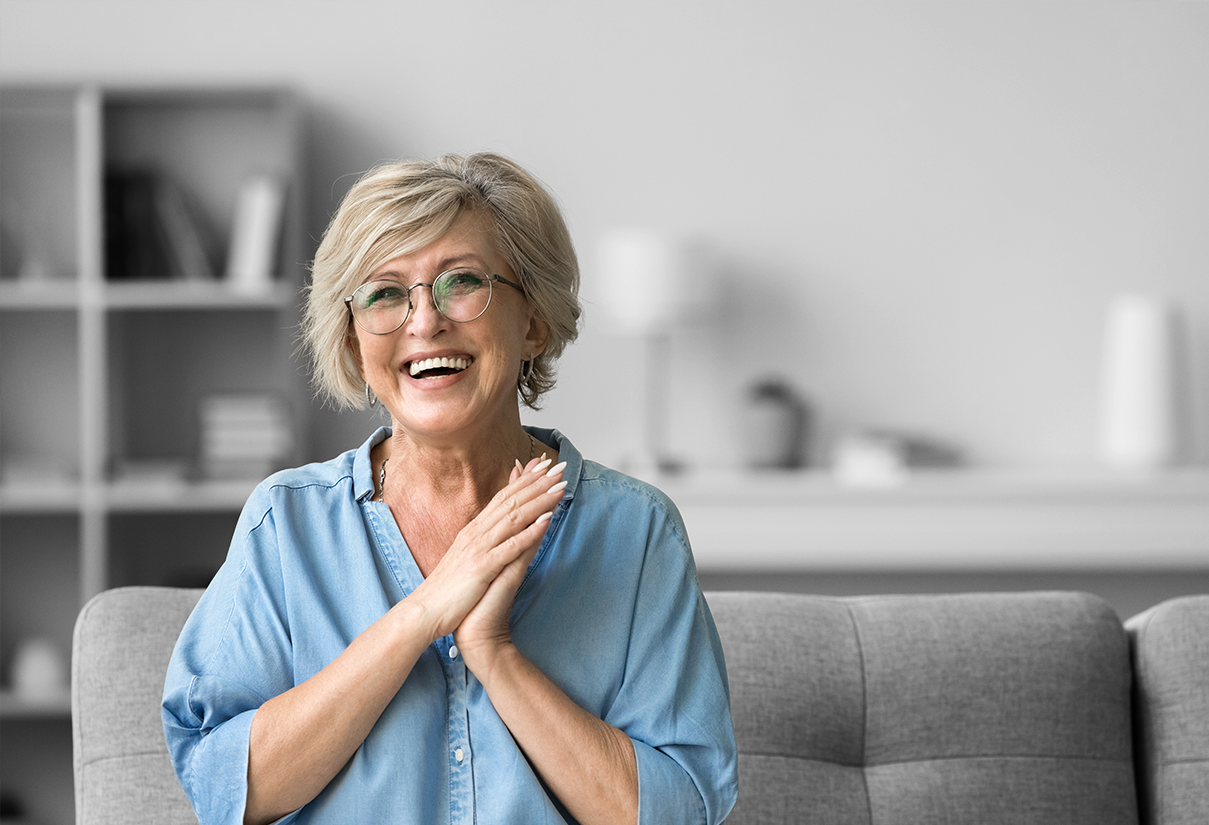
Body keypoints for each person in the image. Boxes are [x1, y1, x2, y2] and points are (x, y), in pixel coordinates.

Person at [162, 153, 738, 825]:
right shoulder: (286, 523)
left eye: (460, 282)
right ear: (352, 343)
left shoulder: (634, 533)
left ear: (533, 321)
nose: (423, 322)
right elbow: (226, 788)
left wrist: (494, 655)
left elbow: (678, 812)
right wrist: (423, 612)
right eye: (384, 293)